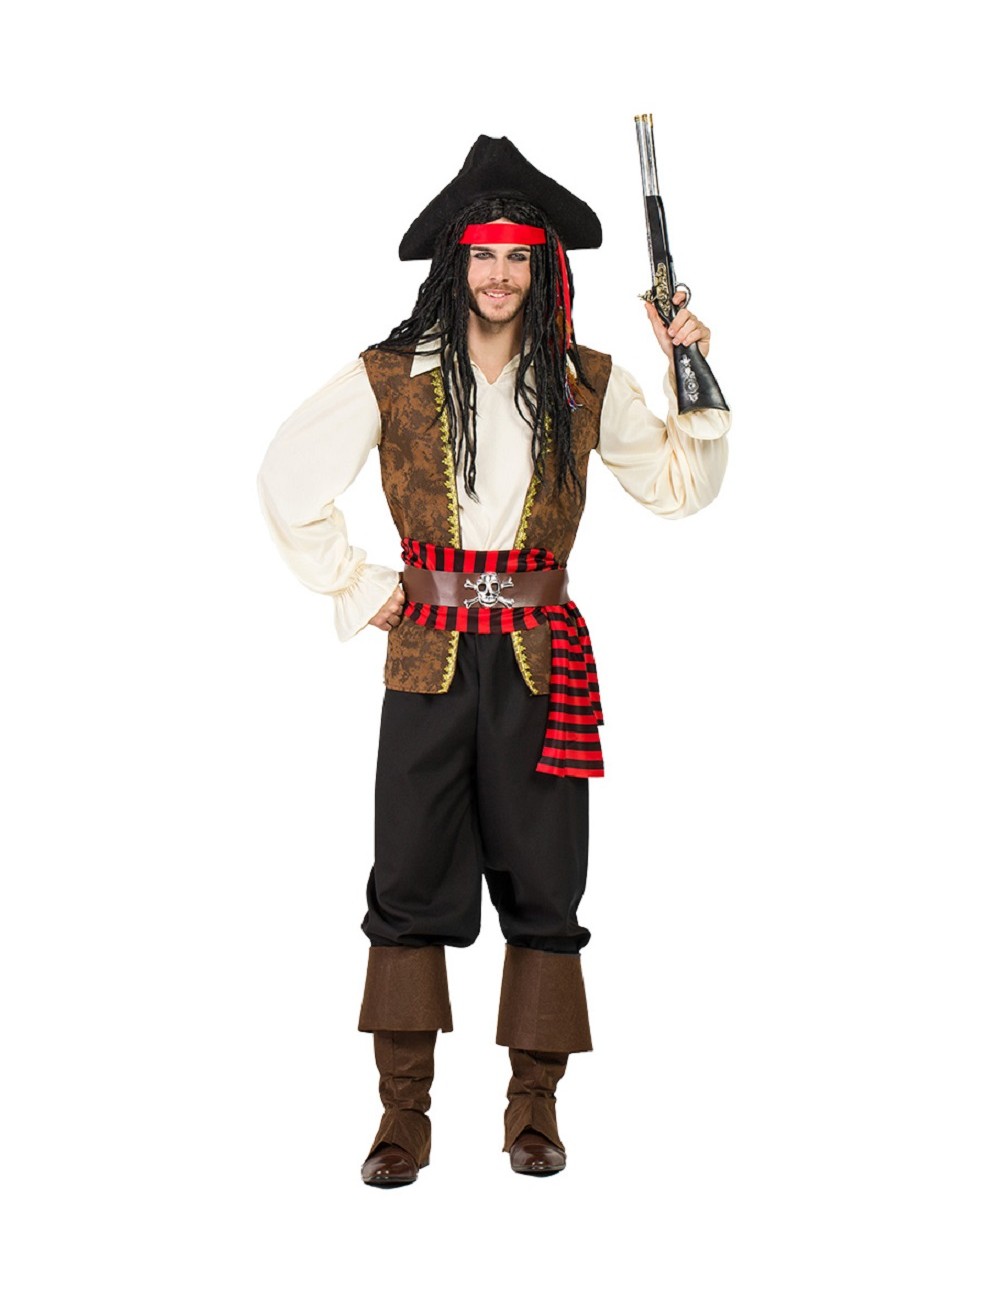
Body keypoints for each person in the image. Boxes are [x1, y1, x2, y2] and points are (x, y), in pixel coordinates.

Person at [257, 135, 730, 1187]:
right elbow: (286, 476)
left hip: (537, 662)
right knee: (407, 881)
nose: (501, 274)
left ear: (544, 267)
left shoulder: (582, 379)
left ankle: (533, 1111)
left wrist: (686, 367)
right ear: (456, 263)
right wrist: (359, 585)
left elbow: (681, 488)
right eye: (484, 255)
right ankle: (402, 1119)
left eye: (519, 256)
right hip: (425, 658)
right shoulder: (394, 374)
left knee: (546, 883)